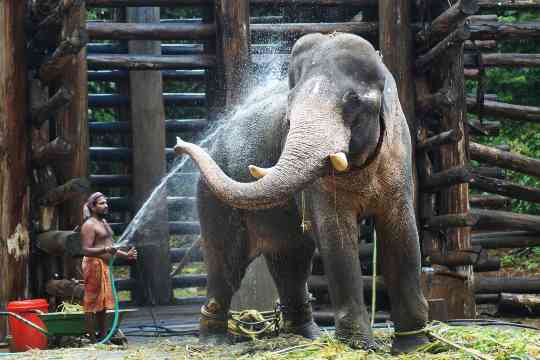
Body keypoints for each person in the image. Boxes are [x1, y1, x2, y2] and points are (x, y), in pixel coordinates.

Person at [81, 192, 137, 342]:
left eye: (106, 203)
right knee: (92, 302)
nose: (106, 206)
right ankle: (93, 340)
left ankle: (103, 337)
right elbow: (86, 250)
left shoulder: (103, 222)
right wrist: (104, 251)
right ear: (93, 206)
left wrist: (126, 255)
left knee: (104, 303)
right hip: (93, 265)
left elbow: (109, 246)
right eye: (101, 203)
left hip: (104, 265)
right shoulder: (89, 225)